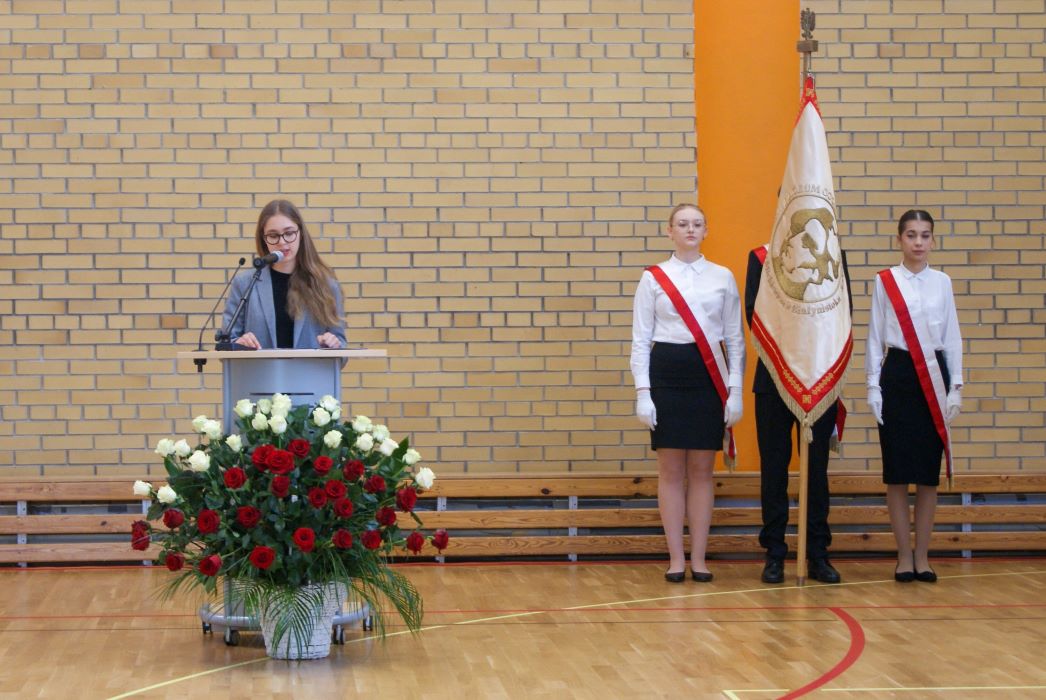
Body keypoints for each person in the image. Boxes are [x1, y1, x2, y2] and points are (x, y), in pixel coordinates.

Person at [630, 204, 745, 583]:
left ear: (706, 230)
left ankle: (699, 558)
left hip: (708, 375)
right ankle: (675, 558)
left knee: (701, 470)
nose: (690, 229)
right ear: (670, 231)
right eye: (682, 224)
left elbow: (734, 338)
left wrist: (735, 389)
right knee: (670, 470)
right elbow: (641, 338)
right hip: (666, 372)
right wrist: (643, 391)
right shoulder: (653, 278)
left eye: (697, 224)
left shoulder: (722, 276)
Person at [745, 243, 851, 585]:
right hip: (773, 376)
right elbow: (753, 314)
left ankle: (817, 553)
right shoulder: (761, 258)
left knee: (816, 470)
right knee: (774, 470)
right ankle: (774, 553)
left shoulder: (833, 255)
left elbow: (843, 314)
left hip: (817, 377)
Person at [866, 209, 963, 583]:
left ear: (933, 240)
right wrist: (873, 385)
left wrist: (956, 386)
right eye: (911, 235)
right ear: (899, 239)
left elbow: (952, 336)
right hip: (899, 374)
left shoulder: (942, 282)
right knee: (896, 473)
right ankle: (903, 555)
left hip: (934, 375)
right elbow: (875, 336)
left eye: (925, 235)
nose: (918, 242)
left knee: (927, 475)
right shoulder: (885, 281)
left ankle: (923, 555)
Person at [222, 199, 346, 350]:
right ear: (263, 239)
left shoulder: (326, 284)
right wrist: (239, 343)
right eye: (273, 235)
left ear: (301, 234)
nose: (282, 242)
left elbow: (341, 346)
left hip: (310, 366)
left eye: (289, 233)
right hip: (259, 366)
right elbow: (226, 343)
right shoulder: (244, 283)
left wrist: (333, 344)